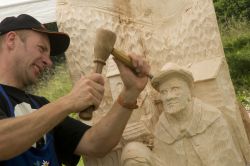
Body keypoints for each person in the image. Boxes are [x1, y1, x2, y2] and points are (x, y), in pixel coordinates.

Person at [0, 14, 150, 165]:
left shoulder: (41, 106)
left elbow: (96, 144)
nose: (49, 61)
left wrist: (130, 92)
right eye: (41, 48)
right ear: (12, 40)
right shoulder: (52, 110)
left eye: (49, 54)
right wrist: (69, 101)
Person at [121, 63, 246, 166]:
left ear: (189, 91)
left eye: (175, 89)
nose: (169, 97)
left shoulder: (212, 118)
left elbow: (230, 159)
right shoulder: (163, 125)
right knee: (132, 152)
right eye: (164, 92)